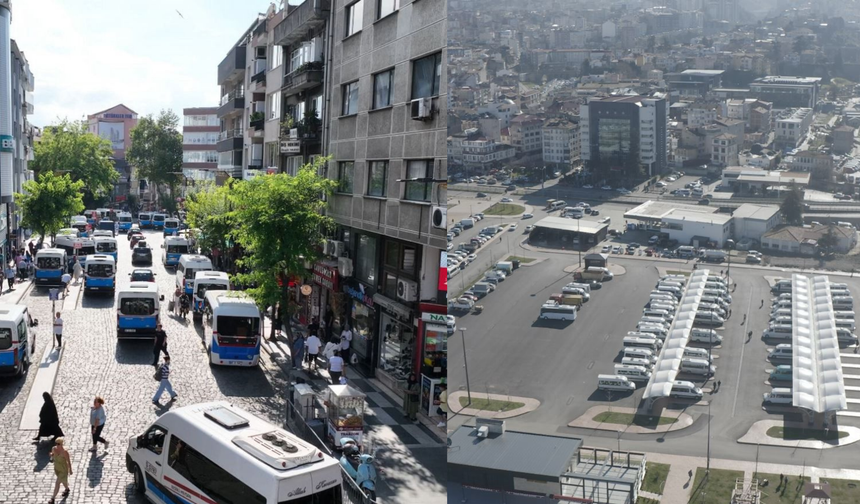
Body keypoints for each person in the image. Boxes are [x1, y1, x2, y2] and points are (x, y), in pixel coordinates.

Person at [48, 437, 72, 503]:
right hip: (57, 468)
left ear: (61, 444)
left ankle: (52, 498)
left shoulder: (65, 452)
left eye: (58, 444)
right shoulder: (53, 448)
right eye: (56, 443)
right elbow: (52, 455)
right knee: (63, 481)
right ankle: (67, 489)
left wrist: (70, 470)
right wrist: (51, 455)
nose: (57, 445)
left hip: (63, 470)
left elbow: (68, 461)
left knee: (57, 482)